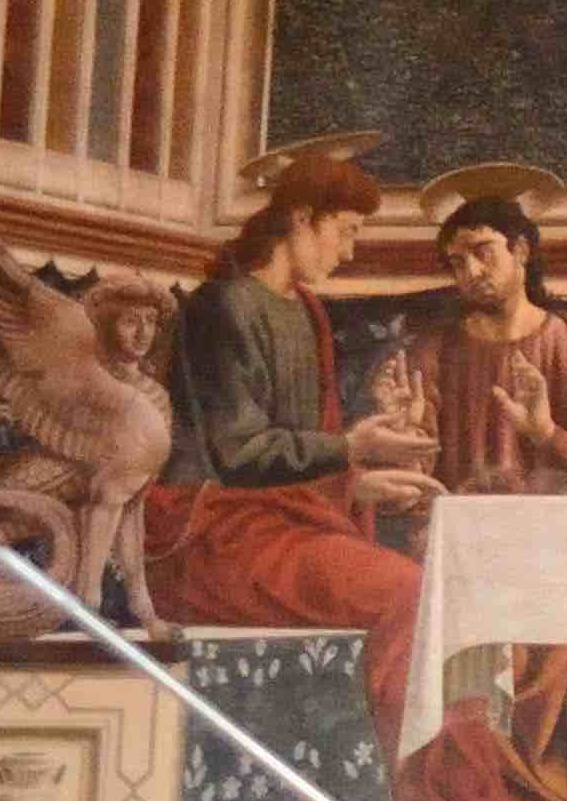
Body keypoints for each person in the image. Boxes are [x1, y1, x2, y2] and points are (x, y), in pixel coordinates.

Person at [137, 137, 438, 766]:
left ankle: (421, 783)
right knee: (407, 592)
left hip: (276, 526)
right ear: (301, 218)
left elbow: (302, 460)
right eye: (345, 231)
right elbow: (239, 454)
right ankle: (402, 786)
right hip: (211, 536)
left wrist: (358, 485)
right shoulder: (224, 305)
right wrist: (351, 447)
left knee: (426, 587)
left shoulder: (305, 311)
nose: (349, 251)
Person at [389, 170, 567, 801]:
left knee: (565, 632)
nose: (469, 272)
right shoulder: (435, 353)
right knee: (472, 623)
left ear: (522, 252)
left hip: (558, 546)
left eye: (483, 252)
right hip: (466, 549)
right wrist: (406, 440)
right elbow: (411, 479)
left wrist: (547, 433)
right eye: (456, 261)